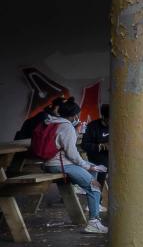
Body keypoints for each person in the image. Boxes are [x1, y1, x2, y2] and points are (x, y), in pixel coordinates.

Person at [32, 98, 106, 234]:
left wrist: (88, 166)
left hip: (49, 163)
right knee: (95, 186)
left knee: (93, 166)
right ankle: (94, 222)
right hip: (61, 165)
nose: (77, 117)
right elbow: (72, 154)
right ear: (74, 115)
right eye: (77, 114)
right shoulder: (66, 127)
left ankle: (81, 187)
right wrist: (85, 165)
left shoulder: (50, 122)